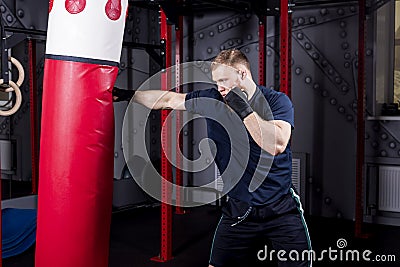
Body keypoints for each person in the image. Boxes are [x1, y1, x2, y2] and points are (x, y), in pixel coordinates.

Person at [113, 49, 312, 267]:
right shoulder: (213, 99)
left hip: (280, 208)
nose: (220, 88)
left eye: (224, 81)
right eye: (217, 82)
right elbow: (168, 99)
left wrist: (244, 111)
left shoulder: (276, 101)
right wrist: (128, 95)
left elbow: (277, 144)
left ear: (242, 74)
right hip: (240, 209)